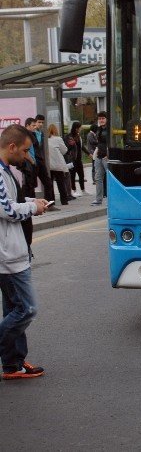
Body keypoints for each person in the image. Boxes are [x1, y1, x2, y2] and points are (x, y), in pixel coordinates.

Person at [0, 124, 48, 380]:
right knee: (26, 309)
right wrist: (32, 209)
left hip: (14, 250)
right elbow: (6, 211)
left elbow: (10, 201)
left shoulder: (7, 171)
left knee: (13, 310)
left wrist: (32, 202)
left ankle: (13, 365)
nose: (27, 156)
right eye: (25, 151)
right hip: (7, 255)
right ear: (11, 147)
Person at [33, 114, 57, 208]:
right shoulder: (31, 133)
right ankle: (32, 205)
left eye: (42, 122)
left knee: (48, 182)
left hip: (40, 161)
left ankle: (49, 205)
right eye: (39, 122)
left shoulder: (42, 133)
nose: (41, 124)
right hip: (33, 161)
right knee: (31, 184)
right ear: (35, 122)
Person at [47, 124, 73, 206]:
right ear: (55, 130)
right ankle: (64, 200)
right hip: (58, 165)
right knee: (61, 183)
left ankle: (51, 200)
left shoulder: (45, 139)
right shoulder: (58, 139)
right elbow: (64, 150)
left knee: (50, 184)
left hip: (48, 165)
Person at [65, 122, 90, 197]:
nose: (81, 129)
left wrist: (88, 153)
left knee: (81, 175)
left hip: (79, 159)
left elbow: (81, 147)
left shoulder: (78, 136)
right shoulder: (69, 136)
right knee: (72, 175)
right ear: (76, 128)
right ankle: (74, 190)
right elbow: (67, 148)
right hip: (72, 159)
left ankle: (83, 190)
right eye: (80, 127)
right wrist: (71, 144)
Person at [91, 112, 108, 206]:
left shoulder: (109, 129)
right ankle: (98, 199)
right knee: (98, 178)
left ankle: (112, 198)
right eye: (100, 119)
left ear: (106, 119)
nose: (101, 120)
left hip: (106, 156)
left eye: (103, 118)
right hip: (99, 155)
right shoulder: (99, 129)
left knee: (109, 178)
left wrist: (108, 154)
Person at [20, 118, 38, 199]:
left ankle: (31, 202)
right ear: (27, 125)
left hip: (31, 162)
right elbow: (25, 151)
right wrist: (32, 161)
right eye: (33, 125)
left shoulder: (31, 135)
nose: (35, 127)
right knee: (28, 184)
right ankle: (27, 202)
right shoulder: (25, 135)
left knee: (31, 185)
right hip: (27, 162)